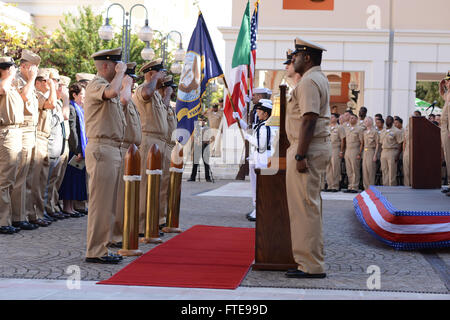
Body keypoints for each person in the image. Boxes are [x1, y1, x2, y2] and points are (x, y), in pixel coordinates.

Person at [285, 37, 330, 279]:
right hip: (312, 147)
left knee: (305, 208)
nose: (293, 59)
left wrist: (300, 154)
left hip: (307, 149)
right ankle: (308, 260)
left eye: (297, 56)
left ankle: (311, 265)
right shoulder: (317, 78)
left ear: (308, 58)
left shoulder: (310, 81)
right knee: (308, 206)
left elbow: (309, 118)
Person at [84, 48, 127, 264]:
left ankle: (103, 246)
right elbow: (111, 93)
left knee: (109, 203)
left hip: (112, 149)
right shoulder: (97, 85)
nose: (120, 69)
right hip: (102, 148)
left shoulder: (109, 86)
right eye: (117, 66)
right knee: (101, 203)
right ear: (106, 66)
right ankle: (95, 250)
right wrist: (120, 75)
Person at [132, 58, 171, 235]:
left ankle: (152, 221)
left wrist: (167, 94)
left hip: (159, 141)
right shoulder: (144, 89)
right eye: (160, 72)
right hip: (148, 140)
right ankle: (141, 225)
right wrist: (154, 79)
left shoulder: (155, 92)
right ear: (151, 73)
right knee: (146, 184)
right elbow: (146, 93)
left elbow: (163, 110)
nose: (163, 75)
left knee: (157, 184)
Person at [111, 62, 142, 247]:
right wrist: (125, 84)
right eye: (131, 79)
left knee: (127, 195)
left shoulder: (129, 97)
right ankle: (115, 235)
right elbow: (122, 100)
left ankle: (123, 230)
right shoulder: (122, 95)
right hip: (122, 149)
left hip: (131, 150)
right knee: (119, 197)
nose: (133, 83)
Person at [11, 50, 41, 230]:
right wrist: (31, 80)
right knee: (19, 176)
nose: (35, 71)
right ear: (23, 66)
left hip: (32, 130)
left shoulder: (27, 81)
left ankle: (25, 214)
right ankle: (17, 216)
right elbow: (22, 98)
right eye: (33, 67)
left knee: (28, 176)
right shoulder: (17, 80)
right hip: (22, 130)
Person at [233, 99, 274, 221]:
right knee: (255, 185)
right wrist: (239, 121)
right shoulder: (261, 124)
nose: (257, 112)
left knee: (260, 185)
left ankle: (260, 210)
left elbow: (261, 144)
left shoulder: (266, 127)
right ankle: (257, 207)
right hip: (257, 157)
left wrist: (247, 137)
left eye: (259, 110)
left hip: (263, 158)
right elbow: (251, 130)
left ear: (266, 113)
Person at [30, 68, 57, 225]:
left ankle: (39, 212)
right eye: (47, 81)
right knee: (35, 181)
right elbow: (51, 104)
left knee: (42, 181)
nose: (50, 84)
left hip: (44, 138)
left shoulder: (42, 95)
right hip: (38, 137)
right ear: (38, 83)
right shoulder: (37, 94)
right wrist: (53, 88)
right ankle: (33, 213)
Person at [0, 56, 24, 234]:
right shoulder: (3, 83)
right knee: (4, 180)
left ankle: (7, 218)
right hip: (6, 132)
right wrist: (8, 75)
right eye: (11, 68)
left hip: (15, 132)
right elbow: (3, 88)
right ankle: (2, 221)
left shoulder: (11, 85)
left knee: (11, 179)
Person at [58, 82, 88, 216]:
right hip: (73, 150)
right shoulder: (71, 107)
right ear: (74, 95)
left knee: (76, 180)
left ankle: (72, 207)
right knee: (69, 180)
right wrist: (78, 150)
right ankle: (67, 207)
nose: (84, 97)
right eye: (82, 94)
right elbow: (73, 131)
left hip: (79, 149)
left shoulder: (79, 108)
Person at [188, 116, 214, 182]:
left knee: (206, 163)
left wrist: (208, 141)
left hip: (205, 146)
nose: (201, 122)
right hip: (197, 146)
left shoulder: (207, 128)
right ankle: (193, 177)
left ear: (205, 122)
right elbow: (194, 137)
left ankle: (207, 178)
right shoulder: (197, 128)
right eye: (200, 120)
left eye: (203, 120)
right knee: (195, 163)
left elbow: (212, 138)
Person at [380, 115, 403, 186]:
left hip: (392, 151)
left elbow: (400, 143)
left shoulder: (397, 131)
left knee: (392, 171)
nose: (388, 121)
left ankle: (391, 187)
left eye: (389, 120)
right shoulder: (383, 131)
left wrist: (398, 155)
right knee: (384, 170)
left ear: (392, 121)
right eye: (387, 120)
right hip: (384, 151)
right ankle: (385, 186)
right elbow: (381, 142)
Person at [344, 113, 364, 193]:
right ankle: (350, 186)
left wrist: (359, 153)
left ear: (356, 119)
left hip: (355, 149)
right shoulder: (347, 128)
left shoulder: (359, 129)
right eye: (350, 118)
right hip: (348, 150)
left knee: (355, 169)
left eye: (352, 118)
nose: (350, 119)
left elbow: (362, 142)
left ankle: (355, 186)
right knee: (349, 169)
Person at [325, 113, 345, 192]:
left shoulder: (339, 127)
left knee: (335, 168)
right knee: (328, 168)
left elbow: (343, 140)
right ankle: (329, 185)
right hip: (328, 149)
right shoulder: (328, 127)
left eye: (332, 117)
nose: (331, 118)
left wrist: (341, 151)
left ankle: (335, 186)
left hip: (336, 149)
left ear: (337, 119)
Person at [439, 71, 450, 195]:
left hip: (448, 129)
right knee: (448, 158)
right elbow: (442, 94)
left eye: (448, 81)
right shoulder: (448, 94)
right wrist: (440, 86)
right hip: (444, 128)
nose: (446, 82)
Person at [362, 116, 379, 189]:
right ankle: (365, 187)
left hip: (371, 151)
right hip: (365, 151)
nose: (365, 123)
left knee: (370, 170)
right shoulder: (365, 132)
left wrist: (375, 155)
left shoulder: (374, 132)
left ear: (370, 122)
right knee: (365, 170)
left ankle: (371, 188)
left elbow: (377, 143)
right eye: (364, 121)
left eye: (366, 121)